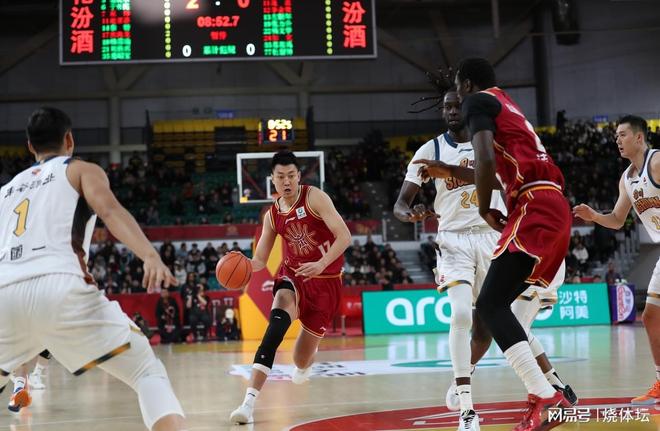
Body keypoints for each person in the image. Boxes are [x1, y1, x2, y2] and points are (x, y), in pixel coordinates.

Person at [0, 107, 186, 430]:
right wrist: (149, 256)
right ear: (69, 140)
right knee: (146, 371)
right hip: (60, 286)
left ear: (30, 146)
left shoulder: (5, 191)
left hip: (4, 294)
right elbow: (110, 212)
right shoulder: (80, 170)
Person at [446, 59, 570, 430]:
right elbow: (498, 164)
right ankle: (545, 392)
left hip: (534, 205)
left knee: (489, 304)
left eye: (459, 89)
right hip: (550, 205)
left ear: (468, 85)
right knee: (498, 307)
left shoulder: (477, 101)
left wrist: (484, 207)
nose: (458, 100)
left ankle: (547, 395)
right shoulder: (506, 103)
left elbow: (484, 158)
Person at [230, 150, 351, 424]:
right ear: (272, 179)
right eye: (281, 176)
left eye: (292, 176)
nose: (287, 181)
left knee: (300, 360)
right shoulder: (272, 215)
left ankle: (307, 360)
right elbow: (260, 261)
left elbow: (344, 236)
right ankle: (248, 404)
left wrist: (321, 264)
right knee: (274, 331)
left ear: (299, 176)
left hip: (326, 284)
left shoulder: (314, 197)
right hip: (292, 278)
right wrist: (243, 264)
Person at [574, 115, 660, 405]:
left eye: (623, 134)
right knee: (650, 316)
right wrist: (594, 216)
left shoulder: (657, 162)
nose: (617, 140)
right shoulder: (626, 179)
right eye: (615, 136)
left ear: (639, 137)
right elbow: (617, 219)